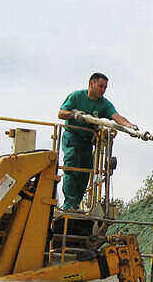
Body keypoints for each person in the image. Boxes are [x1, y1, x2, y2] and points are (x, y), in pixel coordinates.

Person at [58, 72, 137, 212]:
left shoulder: (104, 104)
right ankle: (69, 204)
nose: (103, 90)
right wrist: (75, 115)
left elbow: (116, 117)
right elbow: (61, 113)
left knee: (86, 171)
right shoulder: (77, 96)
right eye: (101, 86)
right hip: (72, 136)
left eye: (105, 87)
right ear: (91, 84)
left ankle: (75, 204)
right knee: (72, 165)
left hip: (87, 141)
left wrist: (130, 126)